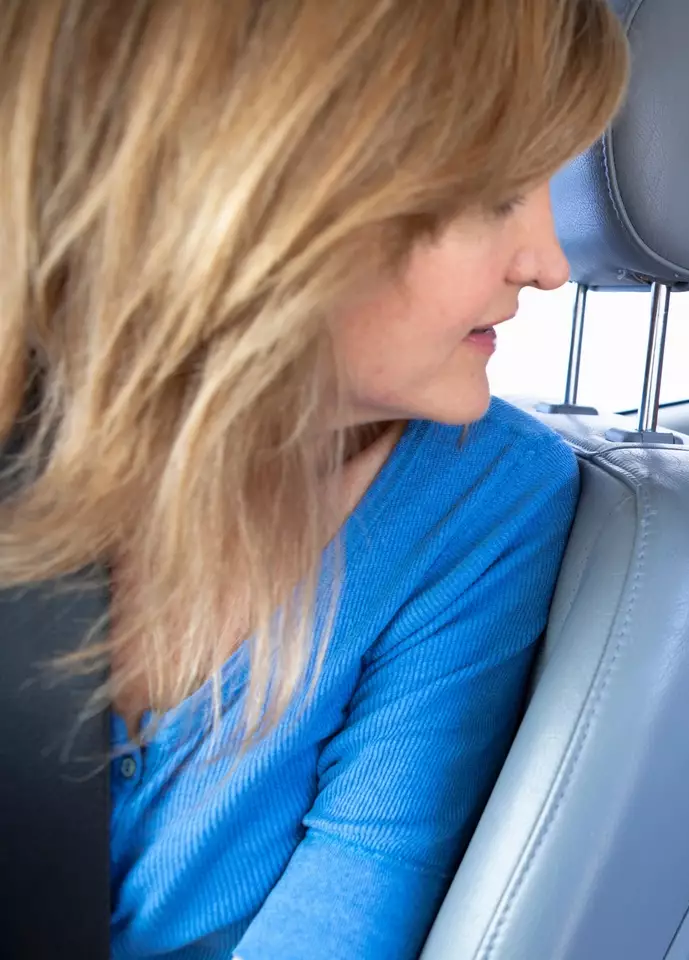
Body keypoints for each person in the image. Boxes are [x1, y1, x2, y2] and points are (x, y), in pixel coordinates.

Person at [0, 2, 628, 957]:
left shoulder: (483, 498)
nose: (548, 264)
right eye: (499, 193)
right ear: (265, 194)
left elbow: (358, 897)